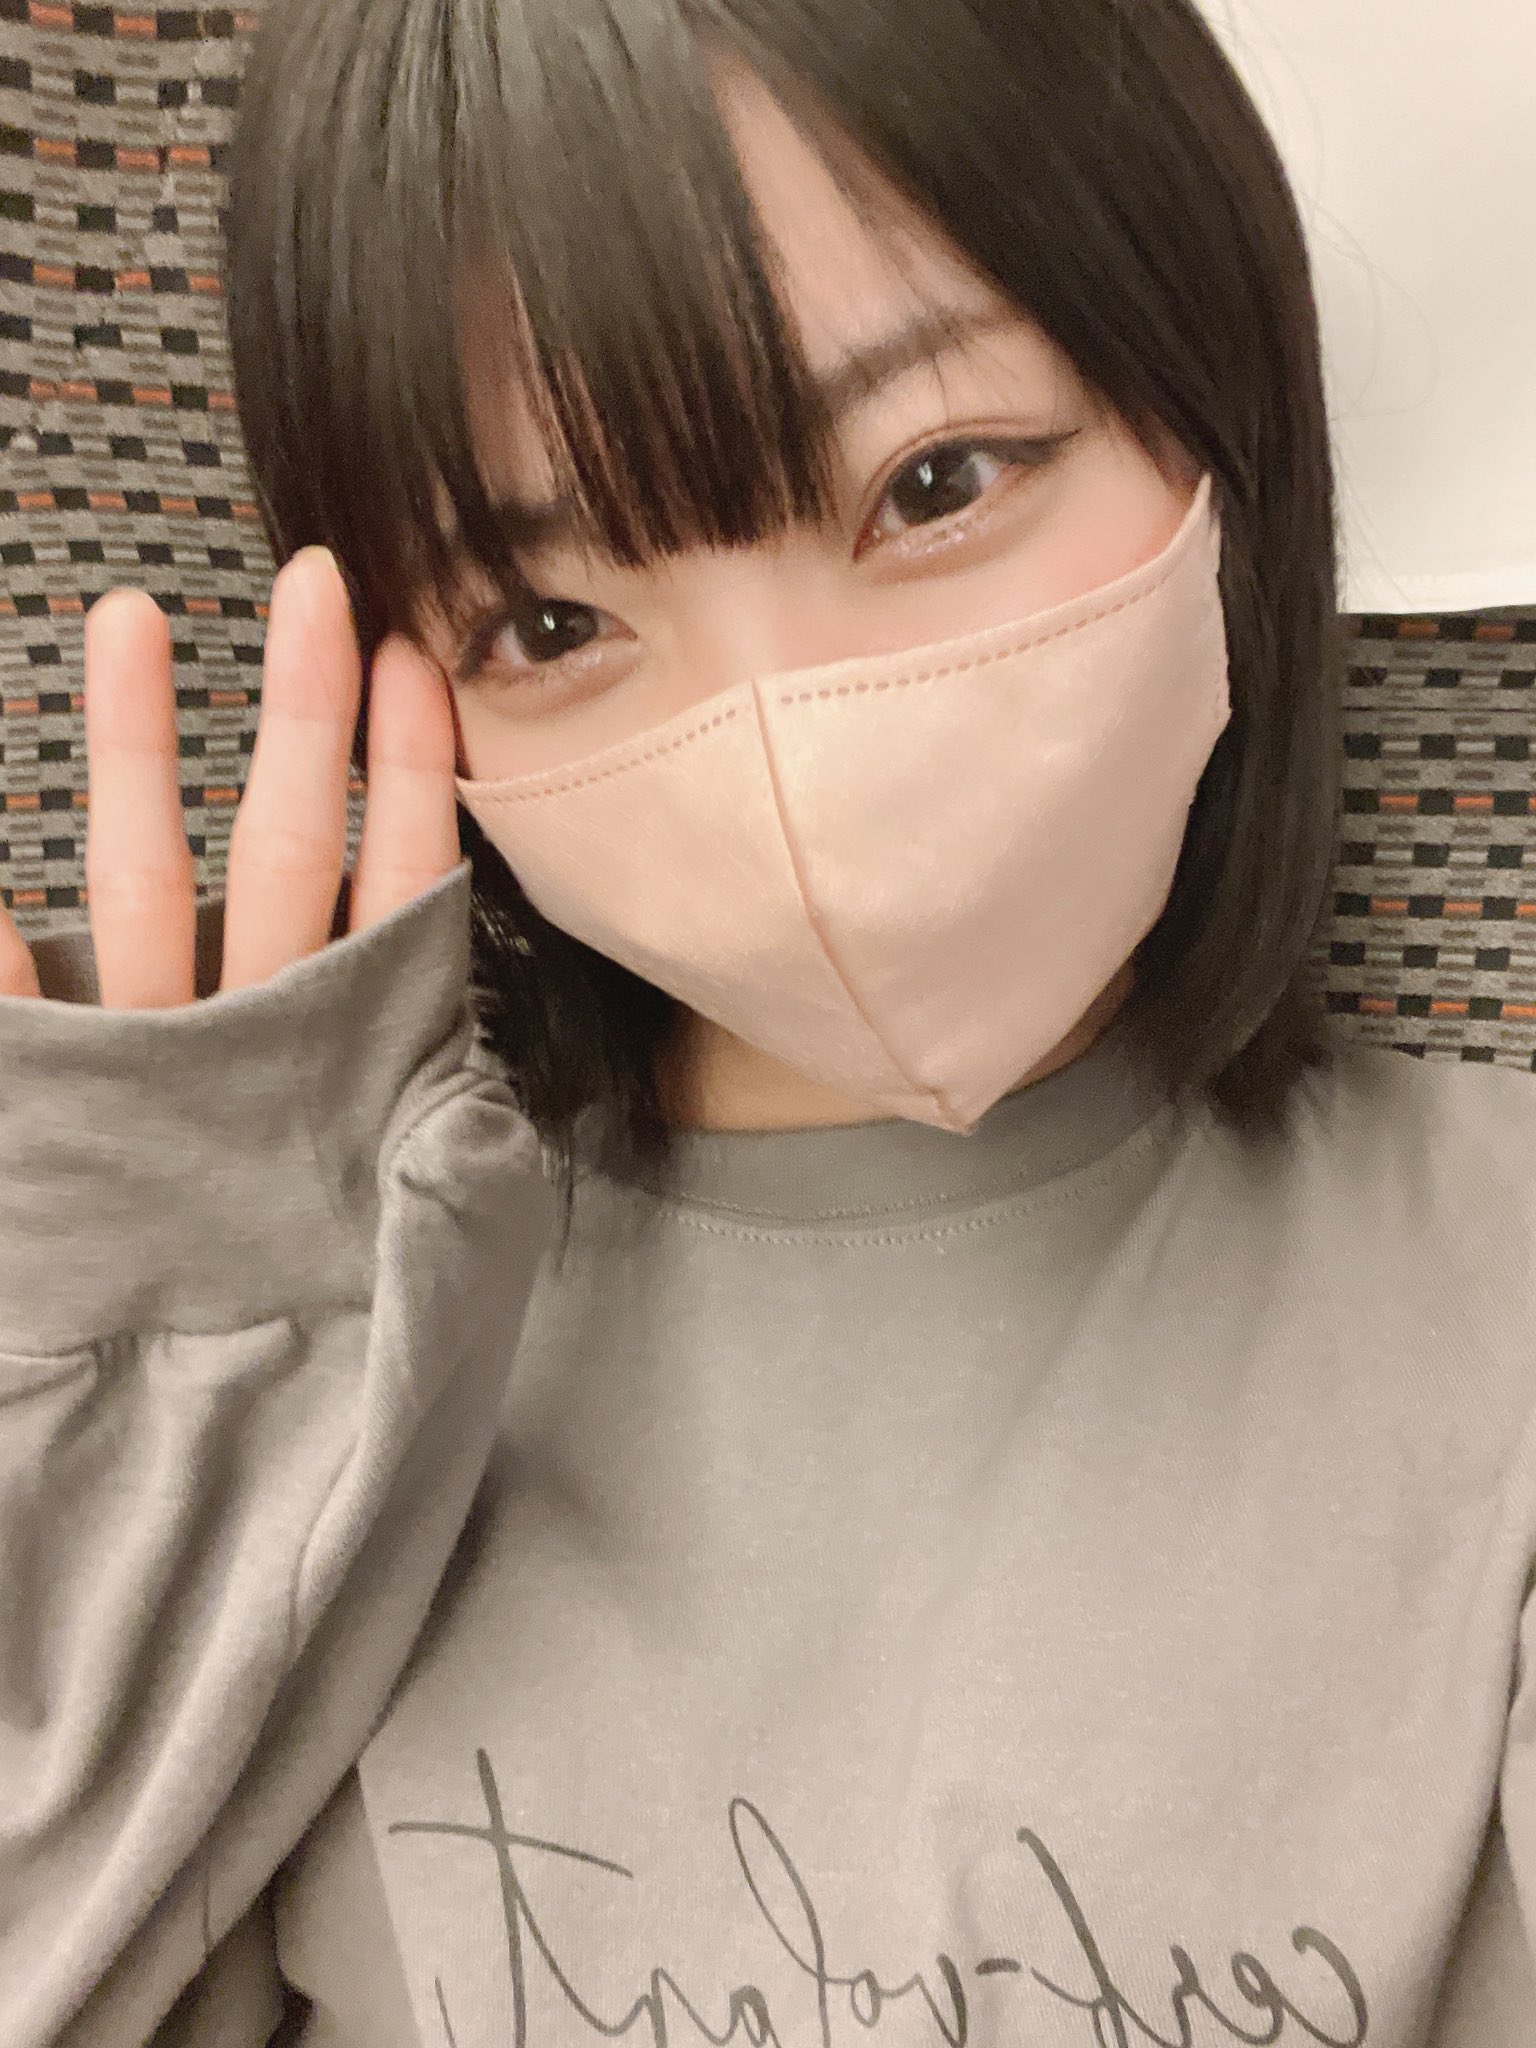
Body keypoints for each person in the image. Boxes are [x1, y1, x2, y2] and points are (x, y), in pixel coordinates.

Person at [1, 0, 1534, 2043]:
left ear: (1210, 388)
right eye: (553, 623)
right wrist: (112, 1549)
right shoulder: (309, 1337)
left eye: (934, 480)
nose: (784, 737)